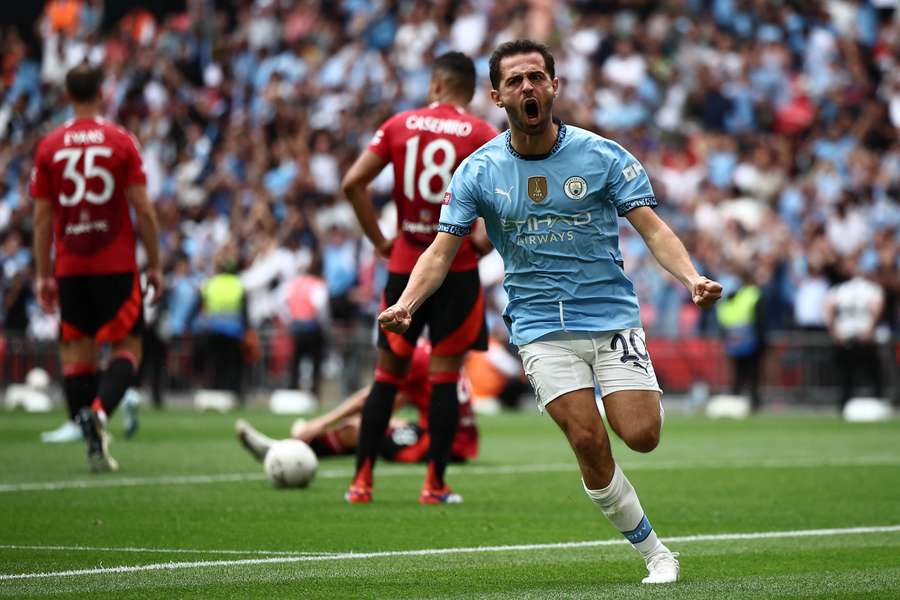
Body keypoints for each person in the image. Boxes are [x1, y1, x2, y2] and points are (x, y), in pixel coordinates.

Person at [377, 40, 723, 584]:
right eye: (515, 81)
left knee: (642, 435)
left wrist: (691, 277)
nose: (527, 88)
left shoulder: (603, 155)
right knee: (587, 439)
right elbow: (442, 250)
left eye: (536, 77)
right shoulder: (477, 171)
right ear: (495, 96)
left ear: (554, 86)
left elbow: (653, 229)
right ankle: (656, 553)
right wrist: (406, 303)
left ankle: (640, 397)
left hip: (611, 317)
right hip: (540, 327)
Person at [341, 51, 497, 504]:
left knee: (387, 376)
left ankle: (361, 482)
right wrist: (482, 240)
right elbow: (501, 199)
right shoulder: (482, 134)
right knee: (445, 377)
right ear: (469, 92)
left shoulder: (398, 125)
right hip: (457, 266)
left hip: (406, 264)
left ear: (434, 85)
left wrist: (380, 240)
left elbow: (353, 183)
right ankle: (434, 485)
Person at [30, 62, 162, 471]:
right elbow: (142, 206)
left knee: (78, 353)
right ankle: (100, 413)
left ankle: (90, 431)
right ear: (102, 92)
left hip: (71, 265)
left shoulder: (49, 146)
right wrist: (155, 264)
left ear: (67, 95)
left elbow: (41, 217)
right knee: (129, 348)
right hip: (116, 263)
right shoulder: (121, 141)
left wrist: (43, 273)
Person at [235, 340, 478, 465]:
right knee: (374, 422)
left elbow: (371, 399)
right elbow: (394, 402)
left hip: (437, 444)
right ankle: (291, 445)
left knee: (356, 429)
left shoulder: (414, 356)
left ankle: (282, 450)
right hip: (458, 438)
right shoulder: (435, 350)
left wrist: (319, 424)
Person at [824, 258, 885, 411]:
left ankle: (847, 403)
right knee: (866, 372)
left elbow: (827, 308)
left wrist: (835, 332)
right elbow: (877, 307)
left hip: (848, 334)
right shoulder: (870, 289)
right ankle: (876, 400)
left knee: (850, 374)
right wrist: (870, 330)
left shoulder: (841, 289)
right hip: (861, 334)